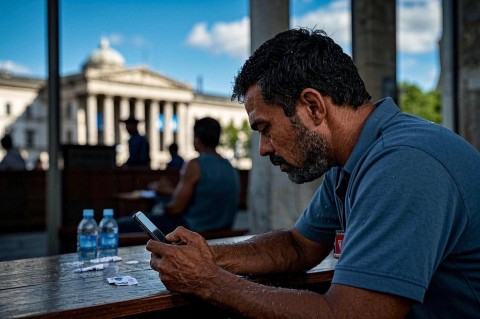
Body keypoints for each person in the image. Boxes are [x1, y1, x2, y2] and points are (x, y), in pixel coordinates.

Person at [146, 28, 480, 318]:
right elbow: (297, 246)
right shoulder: (351, 161)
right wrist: (210, 255)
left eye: (265, 127)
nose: (263, 148)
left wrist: (208, 281)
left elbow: (351, 315)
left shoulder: (405, 163)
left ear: (313, 106)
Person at [119, 117, 240, 234]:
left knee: (127, 223)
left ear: (197, 139)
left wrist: (161, 203)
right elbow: (206, 196)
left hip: (191, 229)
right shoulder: (230, 167)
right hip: (221, 230)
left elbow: (175, 209)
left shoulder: (195, 165)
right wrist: (172, 192)